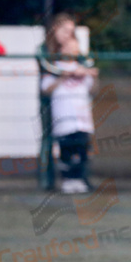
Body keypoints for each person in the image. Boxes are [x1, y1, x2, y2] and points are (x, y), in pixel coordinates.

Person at [39, 37, 98, 193]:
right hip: (64, 117)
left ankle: (80, 178)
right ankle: (67, 179)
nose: (72, 50)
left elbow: (92, 89)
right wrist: (64, 76)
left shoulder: (82, 67)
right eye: (68, 46)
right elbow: (46, 88)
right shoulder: (54, 68)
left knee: (83, 150)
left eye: (75, 47)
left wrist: (93, 75)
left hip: (82, 118)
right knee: (66, 150)